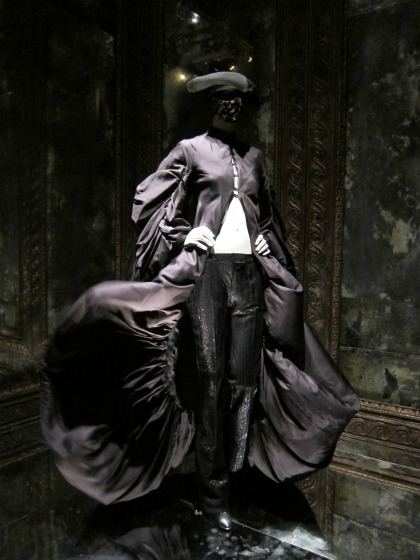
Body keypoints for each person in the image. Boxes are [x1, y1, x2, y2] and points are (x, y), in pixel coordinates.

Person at [40, 71, 359, 531]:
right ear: (211, 103)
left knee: (244, 381)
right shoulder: (190, 150)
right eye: (223, 97)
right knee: (210, 382)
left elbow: (266, 214)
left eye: (237, 98)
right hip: (207, 276)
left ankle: (238, 473)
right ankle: (213, 495)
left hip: (248, 276)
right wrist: (184, 234)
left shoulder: (254, 157)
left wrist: (265, 241)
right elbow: (148, 202)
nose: (231, 105)